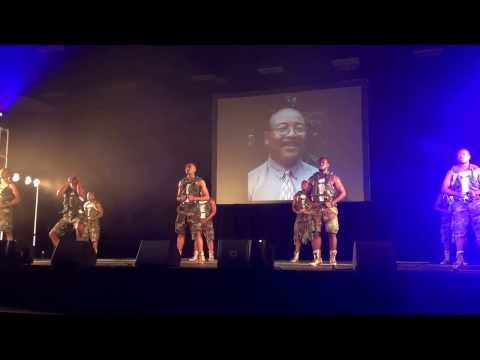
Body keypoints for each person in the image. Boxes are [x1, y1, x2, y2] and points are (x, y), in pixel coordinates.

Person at [248, 108, 317, 201]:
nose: (292, 134)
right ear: (267, 138)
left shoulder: (317, 177)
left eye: (299, 128)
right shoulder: (252, 180)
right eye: (283, 128)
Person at [441, 148, 480, 269]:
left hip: (476, 203)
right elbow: (444, 188)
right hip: (459, 204)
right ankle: (460, 258)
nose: (461, 155)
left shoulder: (477, 170)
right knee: (459, 230)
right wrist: (459, 195)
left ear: (469, 156)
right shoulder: (452, 171)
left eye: (463, 154)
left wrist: (477, 192)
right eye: (459, 154)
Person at [307, 157, 347, 266]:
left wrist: (333, 202)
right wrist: (310, 202)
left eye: (323, 162)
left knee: (332, 233)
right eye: (320, 162)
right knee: (315, 233)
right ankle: (317, 259)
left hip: (329, 209)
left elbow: (343, 192)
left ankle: (332, 259)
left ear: (328, 164)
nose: (321, 163)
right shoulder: (312, 178)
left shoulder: (334, 178)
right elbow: (306, 192)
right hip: (316, 209)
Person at [175, 163, 210, 263]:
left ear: (194, 169)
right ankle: (177, 255)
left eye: (190, 167)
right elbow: (177, 197)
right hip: (182, 211)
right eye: (186, 167)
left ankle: (201, 255)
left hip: (194, 211)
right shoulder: (182, 182)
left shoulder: (200, 181)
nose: (188, 168)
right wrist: (180, 198)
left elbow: (207, 197)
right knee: (180, 233)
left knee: (198, 233)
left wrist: (195, 198)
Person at [49, 176, 87, 249]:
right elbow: (58, 194)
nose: (72, 181)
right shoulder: (66, 190)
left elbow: (82, 195)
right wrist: (67, 183)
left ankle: (79, 251)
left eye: (74, 180)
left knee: (79, 228)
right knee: (52, 234)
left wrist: (78, 183)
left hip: (78, 216)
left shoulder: (80, 188)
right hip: (67, 216)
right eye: (71, 180)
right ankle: (62, 251)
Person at [290, 180, 313, 262]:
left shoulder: (312, 194)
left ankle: (316, 257)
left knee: (313, 237)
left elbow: (316, 207)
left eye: (305, 184)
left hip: (310, 218)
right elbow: (293, 207)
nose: (303, 186)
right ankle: (296, 256)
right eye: (302, 184)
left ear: (308, 185)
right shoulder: (297, 194)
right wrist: (298, 211)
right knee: (297, 237)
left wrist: (308, 212)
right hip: (299, 218)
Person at [190, 197, 217, 262]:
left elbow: (214, 212)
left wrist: (206, 219)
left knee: (209, 238)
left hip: (207, 222)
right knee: (196, 238)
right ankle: (196, 255)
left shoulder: (211, 201)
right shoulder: (196, 200)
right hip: (197, 221)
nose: (201, 192)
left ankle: (211, 255)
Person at [0, 168, 21, 241]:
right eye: (0, 172)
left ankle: (8, 252)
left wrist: (4, 205)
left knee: (8, 232)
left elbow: (18, 199)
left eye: (3, 172)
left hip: (6, 212)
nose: (1, 174)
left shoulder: (11, 185)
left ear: (7, 174)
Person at [433, 193, 453, 265]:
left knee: (459, 237)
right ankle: (447, 258)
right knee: (446, 239)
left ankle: (460, 258)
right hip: (446, 220)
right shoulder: (443, 195)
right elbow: (436, 207)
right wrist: (446, 211)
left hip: (457, 220)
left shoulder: (460, 193)